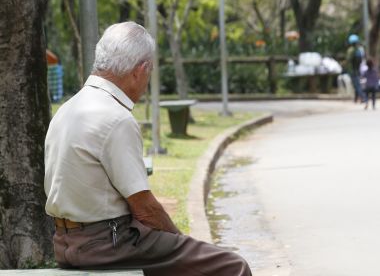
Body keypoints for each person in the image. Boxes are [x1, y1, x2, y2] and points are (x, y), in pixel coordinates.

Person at [44, 21, 252, 276]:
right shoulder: (116, 118)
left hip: (64, 243)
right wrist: (180, 241)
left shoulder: (68, 108)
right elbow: (145, 209)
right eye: (149, 72)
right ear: (140, 70)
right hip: (107, 244)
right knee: (233, 267)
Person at [345, 34, 366, 103]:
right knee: (356, 83)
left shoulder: (350, 50)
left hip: (352, 70)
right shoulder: (359, 50)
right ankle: (356, 99)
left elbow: (348, 60)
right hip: (358, 69)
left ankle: (363, 98)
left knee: (357, 85)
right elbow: (361, 60)